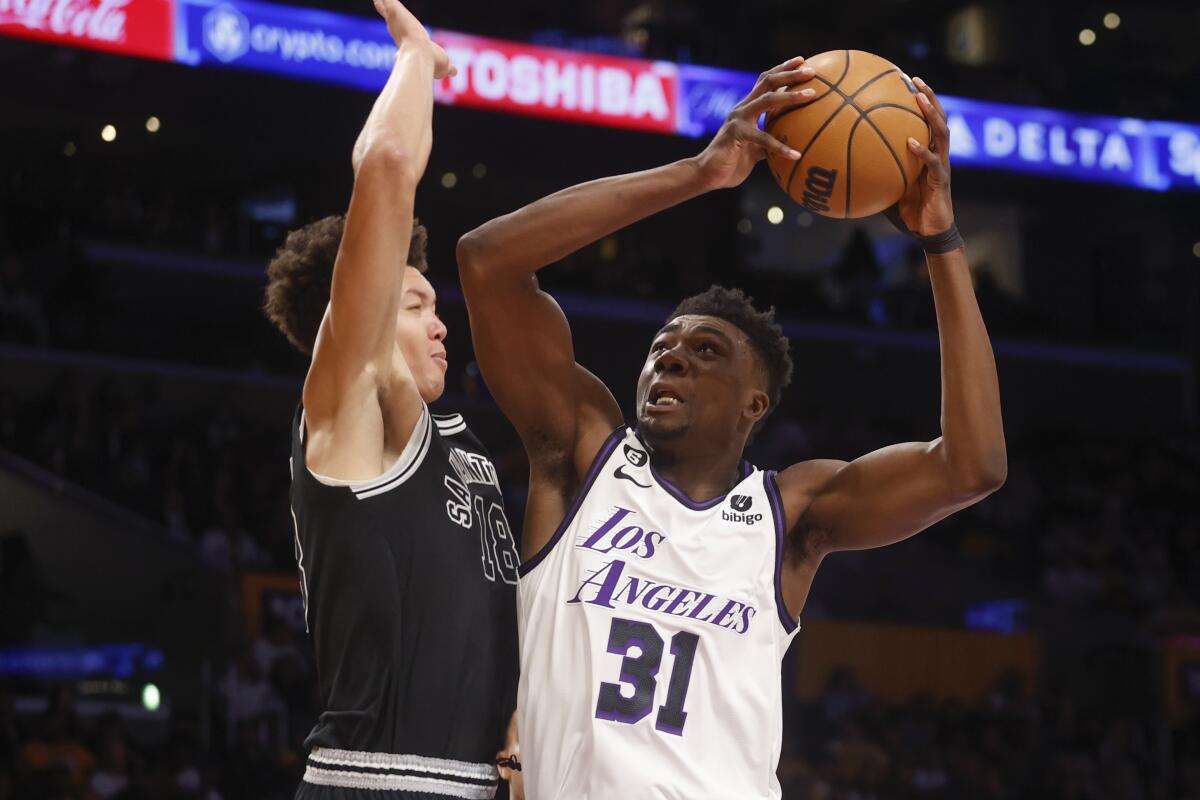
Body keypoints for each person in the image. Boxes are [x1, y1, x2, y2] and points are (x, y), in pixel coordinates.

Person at [457, 57, 1005, 799]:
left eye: (704, 352)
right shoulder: (581, 455)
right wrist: (700, 173)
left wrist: (940, 241)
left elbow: (971, 467)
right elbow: (487, 261)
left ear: (755, 404)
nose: (670, 360)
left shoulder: (793, 514)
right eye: (661, 350)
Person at [261, 1, 519, 796]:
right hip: (375, 781)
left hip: (474, 783)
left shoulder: (455, 439)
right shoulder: (349, 412)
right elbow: (386, 168)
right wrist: (417, 59)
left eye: (437, 306)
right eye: (414, 305)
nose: (441, 325)